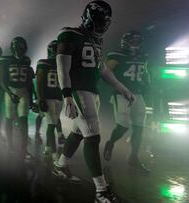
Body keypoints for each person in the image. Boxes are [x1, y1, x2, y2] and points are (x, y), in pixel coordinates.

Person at [52, 1, 135, 202]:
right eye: (99, 21)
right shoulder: (69, 34)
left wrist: (122, 88)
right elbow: (62, 68)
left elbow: (103, 70)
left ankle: (60, 166)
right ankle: (101, 190)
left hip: (92, 91)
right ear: (88, 17)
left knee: (79, 132)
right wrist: (67, 95)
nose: (101, 26)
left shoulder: (96, 40)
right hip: (78, 91)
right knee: (93, 137)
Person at [103, 30, 150, 173]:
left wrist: (147, 83)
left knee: (139, 127)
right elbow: (105, 72)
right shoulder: (116, 54)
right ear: (126, 42)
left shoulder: (143, 55)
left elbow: (145, 71)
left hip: (137, 94)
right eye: (133, 41)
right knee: (123, 126)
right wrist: (119, 87)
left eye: (137, 42)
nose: (135, 45)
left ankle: (133, 157)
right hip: (122, 94)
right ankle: (110, 143)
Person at [0, 37, 35, 160]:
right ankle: (9, 146)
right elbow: (2, 80)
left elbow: (29, 81)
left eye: (20, 47)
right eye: (17, 47)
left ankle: (24, 150)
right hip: (11, 90)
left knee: (23, 120)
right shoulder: (5, 60)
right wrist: (10, 93)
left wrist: (31, 98)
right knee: (9, 119)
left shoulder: (26, 60)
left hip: (23, 91)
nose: (18, 50)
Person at [36, 40, 66, 161]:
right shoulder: (45, 63)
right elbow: (39, 82)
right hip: (49, 97)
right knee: (51, 125)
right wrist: (41, 99)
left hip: (58, 97)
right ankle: (54, 154)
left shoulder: (62, 64)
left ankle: (48, 148)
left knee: (53, 123)